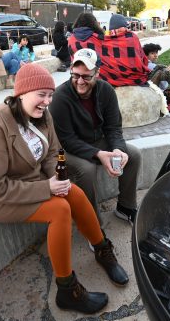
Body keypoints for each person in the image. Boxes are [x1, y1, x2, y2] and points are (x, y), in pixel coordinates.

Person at [0, 63, 128, 314]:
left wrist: (57, 180)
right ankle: (67, 290)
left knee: (74, 192)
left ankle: (103, 251)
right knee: (59, 209)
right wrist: (46, 188)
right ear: (21, 93)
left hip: (31, 180)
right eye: (41, 94)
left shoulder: (42, 114)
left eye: (50, 95)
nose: (47, 101)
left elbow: (53, 153)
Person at [49, 48, 141, 226]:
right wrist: (98, 154)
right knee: (87, 169)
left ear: (97, 73)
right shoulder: (60, 97)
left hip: (96, 141)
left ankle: (125, 207)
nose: (80, 81)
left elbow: (113, 127)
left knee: (133, 155)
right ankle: (92, 223)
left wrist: (117, 150)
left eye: (86, 76)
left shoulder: (106, 90)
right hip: (67, 149)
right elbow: (67, 140)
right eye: (75, 75)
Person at [142, 43, 170, 111]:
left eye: (156, 53)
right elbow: (164, 86)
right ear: (146, 55)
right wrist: (167, 73)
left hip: (144, 93)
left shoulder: (142, 64)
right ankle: (168, 104)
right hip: (155, 94)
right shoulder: (154, 66)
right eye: (152, 53)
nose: (156, 55)